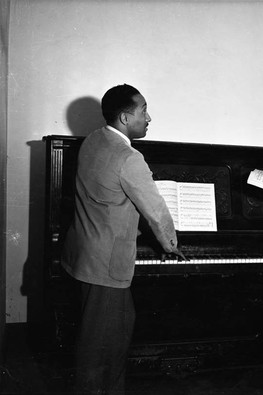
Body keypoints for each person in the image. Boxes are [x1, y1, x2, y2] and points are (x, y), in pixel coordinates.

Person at [61, 84, 186, 394]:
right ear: (125, 117)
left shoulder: (93, 139)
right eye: (143, 111)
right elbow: (155, 209)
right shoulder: (128, 157)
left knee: (98, 338)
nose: (149, 117)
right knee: (106, 349)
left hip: (83, 255)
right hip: (107, 265)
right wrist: (170, 245)